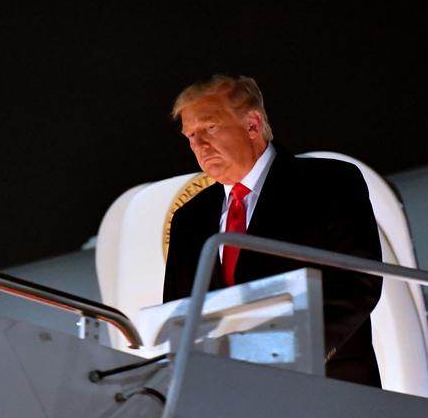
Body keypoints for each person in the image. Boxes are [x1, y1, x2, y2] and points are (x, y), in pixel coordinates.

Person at [162, 74, 383, 387]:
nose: (198, 145)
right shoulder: (188, 218)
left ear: (252, 124)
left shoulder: (330, 183)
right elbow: (179, 314)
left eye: (209, 127)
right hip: (230, 395)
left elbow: (358, 284)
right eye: (190, 136)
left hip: (325, 387)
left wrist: (286, 358)